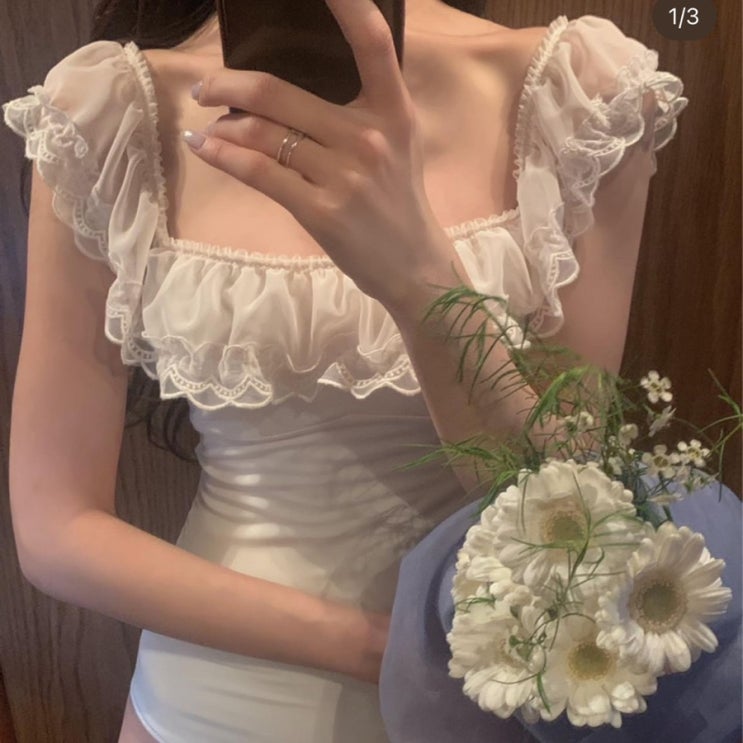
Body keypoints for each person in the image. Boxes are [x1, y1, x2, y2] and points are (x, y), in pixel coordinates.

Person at [2, 0, 688, 741]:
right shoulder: (113, 112)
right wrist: (387, 649)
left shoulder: (575, 97)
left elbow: (569, 514)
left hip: (473, 708)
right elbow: (57, 528)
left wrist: (419, 278)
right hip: (206, 707)